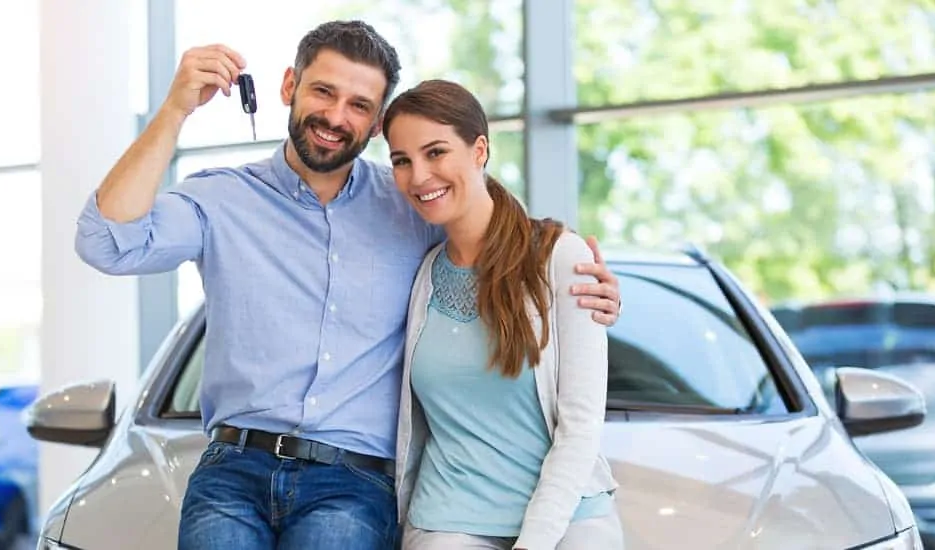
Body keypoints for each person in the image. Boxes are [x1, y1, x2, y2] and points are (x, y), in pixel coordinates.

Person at [74, 20, 621, 550]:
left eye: (359, 105)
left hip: (351, 482)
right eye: (322, 91)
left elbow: (493, 233)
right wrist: (174, 112)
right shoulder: (220, 199)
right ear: (290, 85)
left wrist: (570, 267)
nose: (336, 116)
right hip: (233, 470)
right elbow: (106, 242)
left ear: (377, 121)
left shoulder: (411, 203)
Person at [383, 79, 624, 550]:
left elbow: (579, 426)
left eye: (436, 153)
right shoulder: (421, 275)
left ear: (479, 150)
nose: (418, 176)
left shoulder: (560, 257)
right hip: (448, 517)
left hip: (569, 514)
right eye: (401, 161)